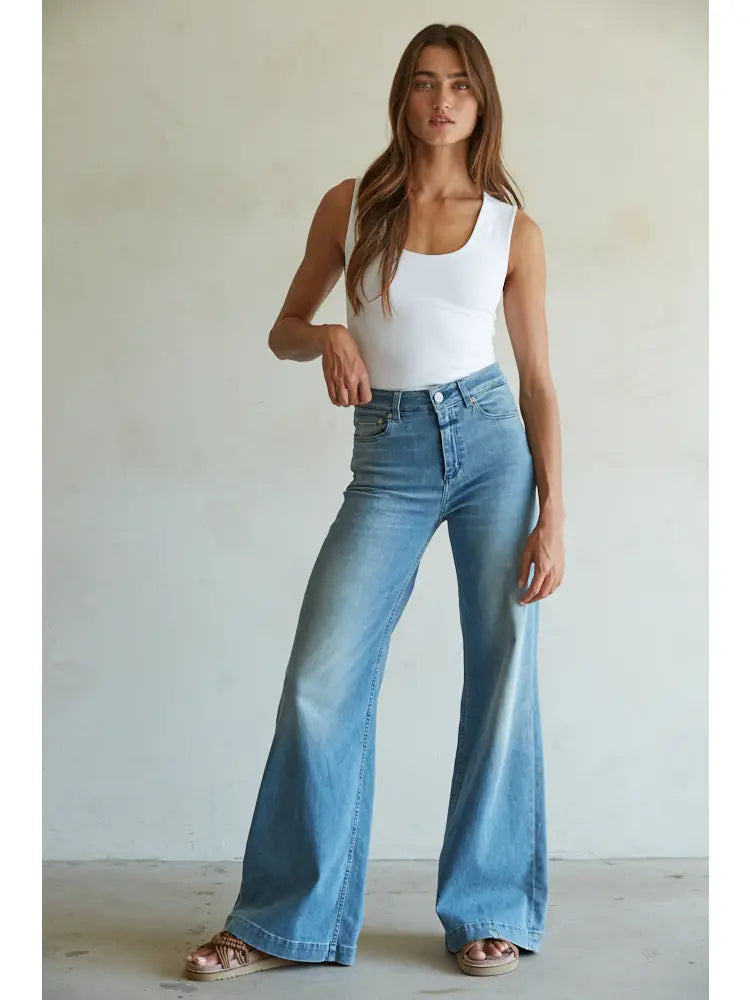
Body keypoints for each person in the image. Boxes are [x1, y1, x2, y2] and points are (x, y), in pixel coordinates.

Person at [185, 21, 564, 983]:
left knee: (502, 672)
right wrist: (325, 335)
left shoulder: (511, 229)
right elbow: (283, 327)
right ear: (402, 96)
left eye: (461, 85)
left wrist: (553, 514)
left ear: (482, 101)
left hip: (491, 447)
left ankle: (489, 910)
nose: (442, 101)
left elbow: (537, 382)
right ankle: (283, 922)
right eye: (425, 83)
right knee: (321, 678)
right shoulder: (350, 205)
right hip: (388, 456)